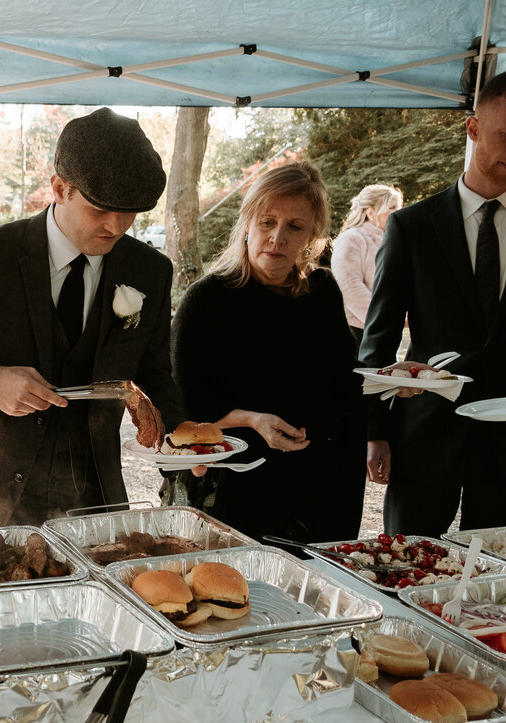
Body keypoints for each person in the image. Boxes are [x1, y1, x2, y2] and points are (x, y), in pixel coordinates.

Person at [0, 107, 187, 526]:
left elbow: (155, 373)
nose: (118, 225)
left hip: (95, 497)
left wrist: (183, 442)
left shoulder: (150, 271)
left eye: (131, 212)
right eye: (101, 208)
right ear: (59, 188)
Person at [169, 162, 366, 543]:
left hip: (320, 484)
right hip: (237, 489)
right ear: (247, 224)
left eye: (295, 227)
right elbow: (183, 414)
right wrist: (252, 420)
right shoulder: (206, 300)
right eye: (267, 222)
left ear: (313, 235)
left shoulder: (322, 290)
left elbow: (342, 375)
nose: (278, 238)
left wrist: (393, 375)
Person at [361, 73, 506, 536]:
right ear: (473, 129)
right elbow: (379, 335)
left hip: (505, 442)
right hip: (424, 432)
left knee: (493, 583)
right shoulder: (412, 227)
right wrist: (375, 431)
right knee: (404, 560)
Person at [331, 184, 404, 342]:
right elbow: (348, 287)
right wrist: (383, 319)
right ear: (371, 212)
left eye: (398, 207)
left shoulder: (390, 241)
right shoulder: (352, 238)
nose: (398, 212)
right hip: (356, 333)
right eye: (392, 207)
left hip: (383, 329)